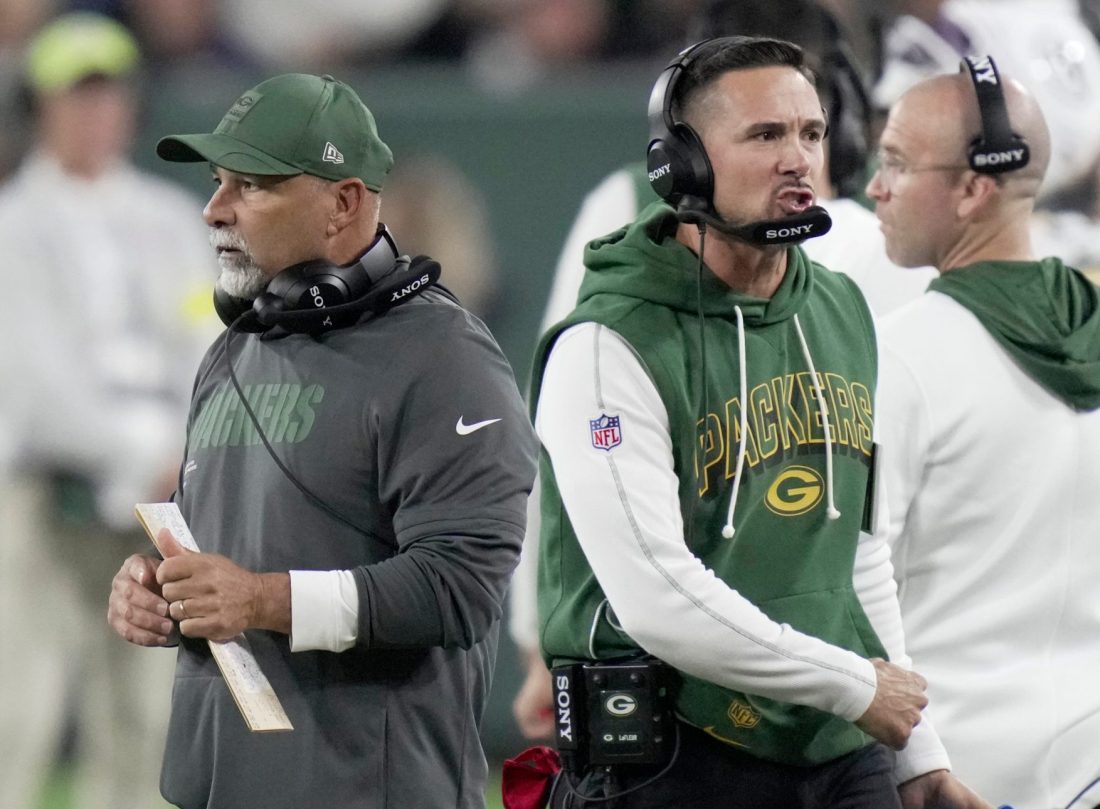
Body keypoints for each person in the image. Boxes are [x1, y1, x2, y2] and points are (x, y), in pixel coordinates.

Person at [531, 35, 991, 808]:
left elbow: (858, 550)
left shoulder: (840, 309)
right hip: (676, 756)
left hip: (840, 746)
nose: (798, 158)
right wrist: (853, 684)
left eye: (810, 133)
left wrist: (916, 753)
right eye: (765, 135)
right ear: (681, 164)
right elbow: (657, 600)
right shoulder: (608, 346)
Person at [105, 72, 538, 808]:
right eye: (217, 183)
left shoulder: (444, 359)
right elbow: (228, 546)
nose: (214, 210)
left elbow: (458, 586)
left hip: (365, 787)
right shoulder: (235, 347)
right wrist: (157, 587)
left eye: (251, 186)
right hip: (217, 784)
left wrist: (260, 599)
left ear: (342, 202)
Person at [866, 56, 1100, 809]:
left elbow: (856, 583)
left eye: (897, 164)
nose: (876, 186)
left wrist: (911, 761)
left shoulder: (895, 356)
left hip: (950, 766)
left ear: (973, 188)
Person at [0, 13, 218, 809]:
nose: (96, 114)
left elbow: (206, 347)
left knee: (145, 713)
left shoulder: (166, 219)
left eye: (109, 95)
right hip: (40, 499)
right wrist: (144, 451)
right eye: (76, 96)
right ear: (42, 108)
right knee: (16, 708)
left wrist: (179, 452)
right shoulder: (12, 227)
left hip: (156, 501)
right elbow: (35, 388)